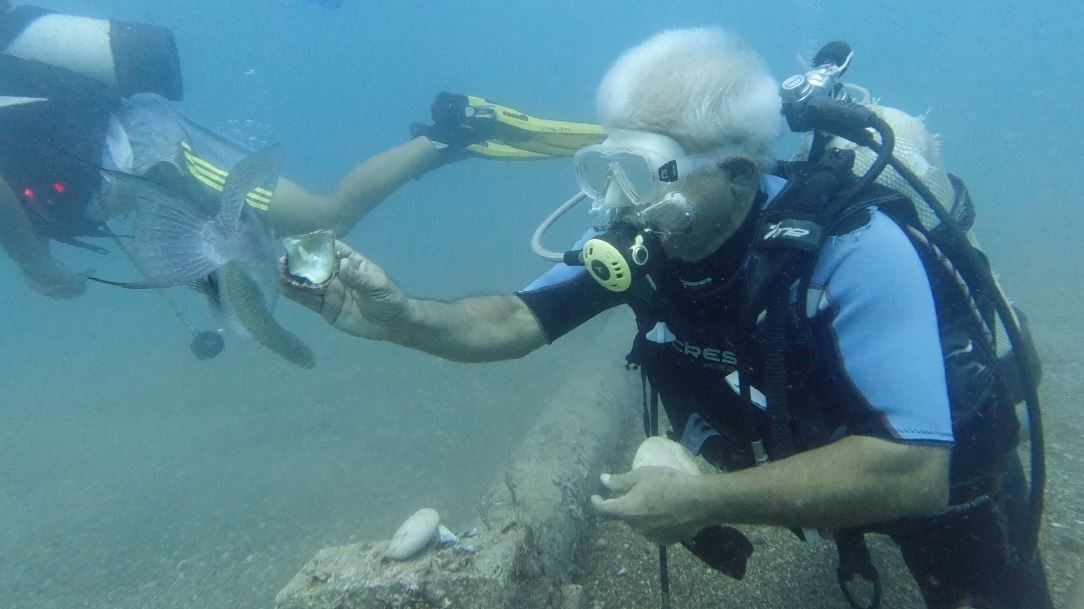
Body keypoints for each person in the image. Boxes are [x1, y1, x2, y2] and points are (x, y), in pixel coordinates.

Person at [281, 28, 1052, 609]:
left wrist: (704, 501)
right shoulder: (645, 235)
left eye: (642, 171)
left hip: (946, 473)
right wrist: (400, 317)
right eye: (602, 167)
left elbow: (915, 469)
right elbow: (513, 321)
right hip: (794, 439)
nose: (615, 198)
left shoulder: (854, 247)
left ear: (740, 173)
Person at [0, 2, 603, 299]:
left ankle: (453, 131)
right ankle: (445, 143)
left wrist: (36, 265)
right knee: (310, 227)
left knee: (324, 219)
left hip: (147, 151)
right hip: (128, 162)